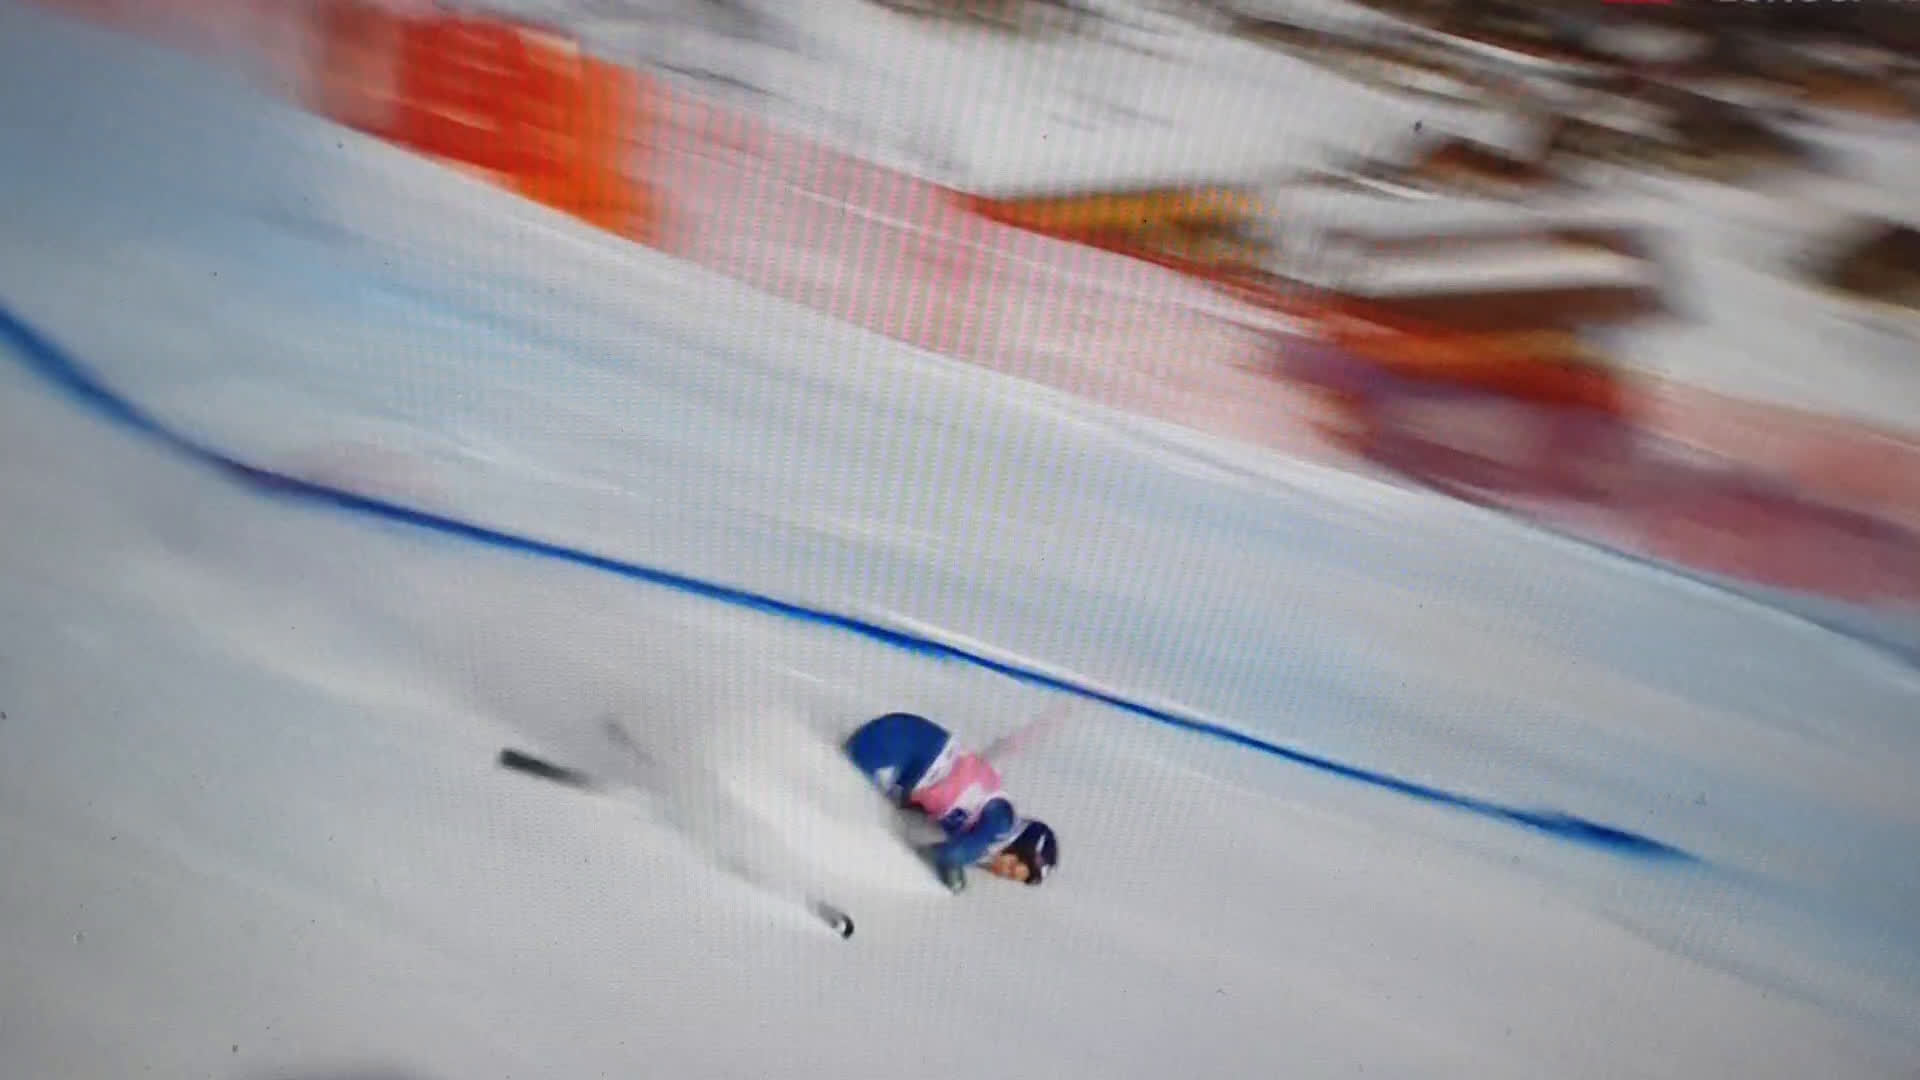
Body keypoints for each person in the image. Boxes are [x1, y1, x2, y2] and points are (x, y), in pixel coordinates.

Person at [844, 712, 1058, 892]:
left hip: (908, 752)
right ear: (1016, 847)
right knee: (845, 781)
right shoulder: (1002, 824)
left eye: (1009, 876)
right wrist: (953, 877)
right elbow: (953, 853)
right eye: (1011, 867)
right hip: (909, 745)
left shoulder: (983, 831)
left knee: (849, 782)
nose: (1002, 873)